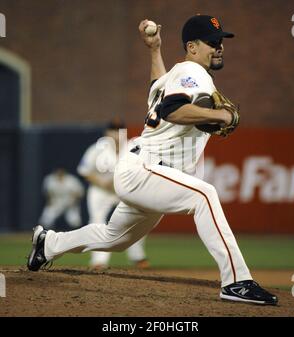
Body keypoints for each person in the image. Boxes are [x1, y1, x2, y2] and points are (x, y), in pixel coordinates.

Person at [27, 15, 278, 305]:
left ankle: (48, 243)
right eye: (212, 42)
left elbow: (156, 89)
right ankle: (236, 281)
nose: (219, 47)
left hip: (144, 172)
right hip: (146, 169)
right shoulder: (193, 72)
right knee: (204, 195)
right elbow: (173, 109)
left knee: (115, 238)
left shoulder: (174, 76)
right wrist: (220, 115)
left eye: (221, 41)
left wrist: (154, 49)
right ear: (192, 47)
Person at [77, 120, 149, 269]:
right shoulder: (97, 149)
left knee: (137, 220)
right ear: (106, 133)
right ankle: (99, 261)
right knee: (97, 222)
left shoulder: (133, 148)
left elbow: (144, 168)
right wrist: (101, 183)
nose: (116, 134)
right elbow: (84, 171)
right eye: (113, 130)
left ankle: (138, 257)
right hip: (101, 191)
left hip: (125, 191)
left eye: (120, 130)